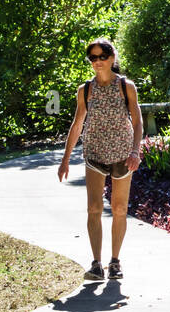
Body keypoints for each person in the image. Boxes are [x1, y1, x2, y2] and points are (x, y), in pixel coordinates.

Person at [57, 38, 143, 281]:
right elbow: (77, 125)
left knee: (119, 209)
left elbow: (137, 122)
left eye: (101, 57)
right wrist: (65, 160)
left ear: (112, 58)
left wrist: (136, 151)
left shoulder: (126, 87)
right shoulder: (85, 90)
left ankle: (115, 262)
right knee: (93, 208)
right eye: (92, 58)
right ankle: (96, 264)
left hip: (123, 153)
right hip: (94, 152)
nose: (96, 62)